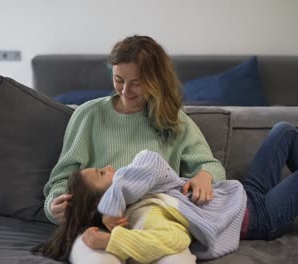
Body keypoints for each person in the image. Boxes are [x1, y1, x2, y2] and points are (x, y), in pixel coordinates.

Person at [35, 138, 298, 264]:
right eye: (102, 174)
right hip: (259, 218)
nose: (111, 167)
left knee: (283, 131)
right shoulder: (144, 212)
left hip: (242, 194)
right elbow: (172, 242)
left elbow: (151, 160)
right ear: (100, 196)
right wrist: (112, 232)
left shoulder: (136, 189)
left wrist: (113, 197)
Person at [42, 35, 226, 262]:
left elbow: (210, 166)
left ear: (156, 80)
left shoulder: (174, 121)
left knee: (177, 260)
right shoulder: (88, 115)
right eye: (119, 79)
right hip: (98, 225)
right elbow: (62, 179)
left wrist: (205, 177)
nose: (126, 90)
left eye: (136, 83)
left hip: (154, 221)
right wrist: (56, 205)